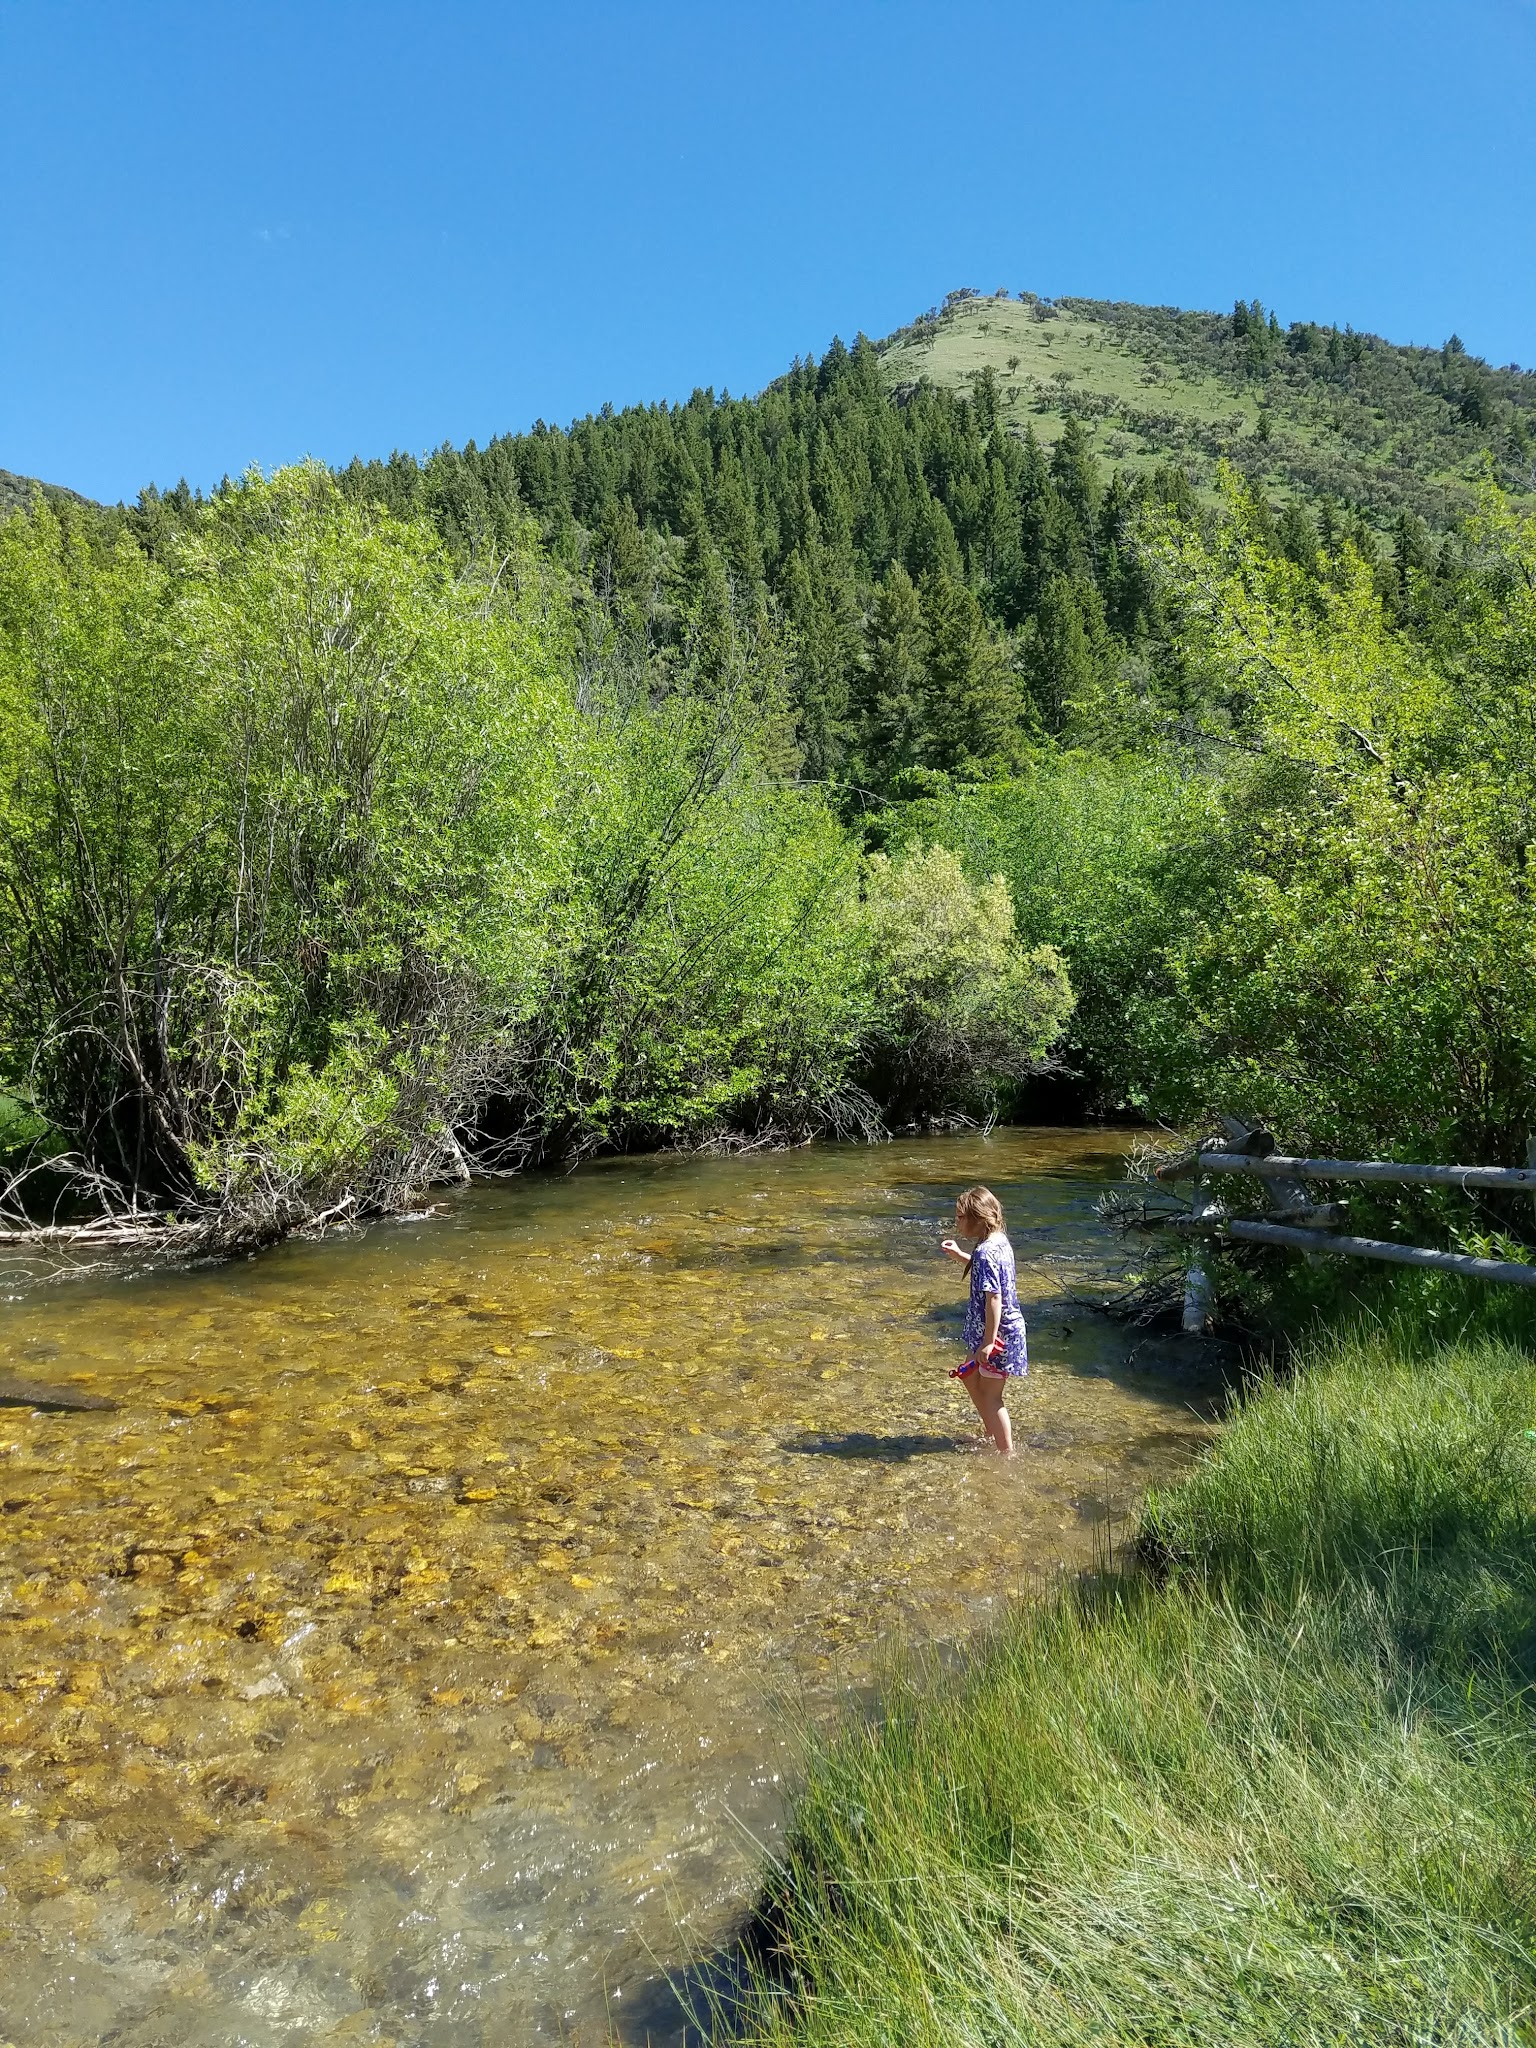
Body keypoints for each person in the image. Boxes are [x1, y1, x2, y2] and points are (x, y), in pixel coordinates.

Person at [940, 1184, 1028, 1455]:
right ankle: (992, 1435)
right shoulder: (997, 1241)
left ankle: (1006, 1454)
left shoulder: (987, 1251)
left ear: (977, 1218)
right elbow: (987, 1273)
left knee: (990, 1397)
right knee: (970, 1376)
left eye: (960, 1217)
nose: (957, 1222)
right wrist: (959, 1256)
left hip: (996, 1335)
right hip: (990, 1330)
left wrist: (989, 1342)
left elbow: (994, 1297)